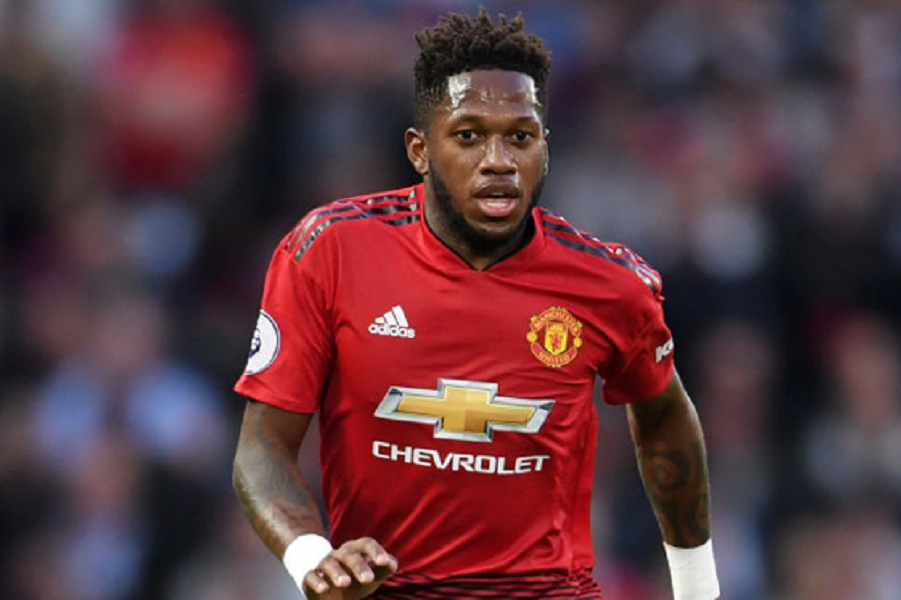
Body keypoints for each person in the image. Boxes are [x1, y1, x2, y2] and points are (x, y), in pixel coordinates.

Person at [232, 8, 720, 600]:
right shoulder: (328, 251)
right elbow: (262, 446)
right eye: (469, 135)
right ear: (419, 150)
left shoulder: (610, 283)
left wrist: (700, 592)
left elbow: (664, 418)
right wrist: (313, 556)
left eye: (521, 136)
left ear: (545, 148)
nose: (498, 160)